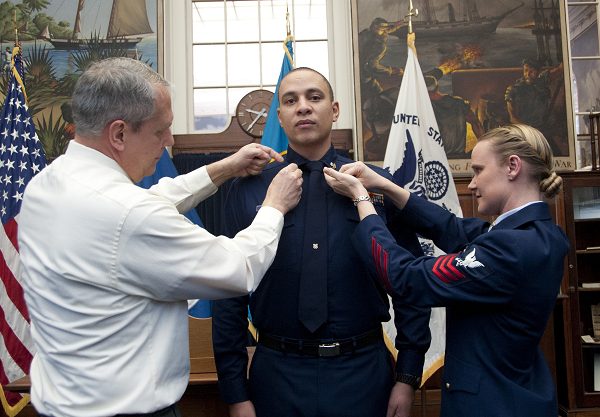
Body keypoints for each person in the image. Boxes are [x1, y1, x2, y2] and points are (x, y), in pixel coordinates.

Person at [18, 57, 303, 417]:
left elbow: (140, 207)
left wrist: (223, 168)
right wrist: (275, 205)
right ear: (119, 133)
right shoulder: (128, 214)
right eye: (160, 131)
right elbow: (237, 267)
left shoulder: (48, 183)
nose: (169, 141)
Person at [212, 67, 431, 417]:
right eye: (290, 101)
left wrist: (406, 376)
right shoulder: (247, 189)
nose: (303, 107)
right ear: (280, 117)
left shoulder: (375, 185)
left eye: (314, 97)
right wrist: (236, 394)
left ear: (335, 110)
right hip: (277, 376)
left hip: (362, 373)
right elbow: (227, 292)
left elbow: (410, 286)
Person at [322, 124, 569, 416]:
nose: (472, 184)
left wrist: (362, 199)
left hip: (493, 405)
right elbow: (451, 229)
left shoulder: (511, 248)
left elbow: (404, 277)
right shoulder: (537, 234)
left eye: (478, 170)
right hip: (517, 393)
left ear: (513, 166)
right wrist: (385, 186)